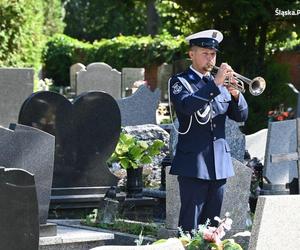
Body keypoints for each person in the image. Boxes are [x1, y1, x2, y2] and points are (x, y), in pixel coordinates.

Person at [169, 29, 248, 232]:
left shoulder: (221, 84)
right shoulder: (180, 81)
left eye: (213, 54)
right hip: (193, 163)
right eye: (205, 53)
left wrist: (236, 95)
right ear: (191, 54)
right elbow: (186, 106)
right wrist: (215, 84)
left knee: (212, 227)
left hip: (219, 163)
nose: (210, 58)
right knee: (190, 225)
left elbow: (241, 116)